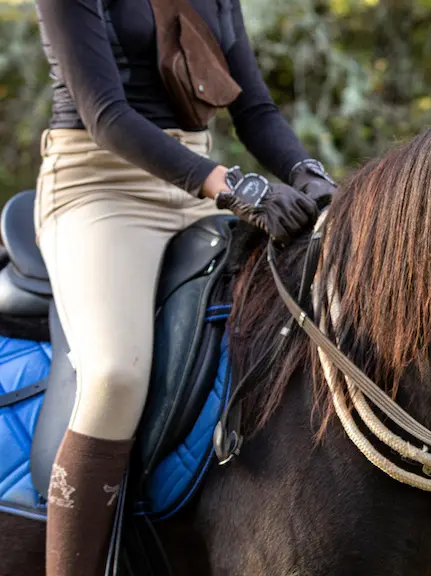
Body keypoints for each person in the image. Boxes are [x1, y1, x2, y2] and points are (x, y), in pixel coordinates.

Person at [32, 0, 335, 573]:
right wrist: (234, 188)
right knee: (115, 375)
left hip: (197, 191)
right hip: (98, 189)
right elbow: (105, 114)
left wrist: (308, 174)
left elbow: (256, 109)